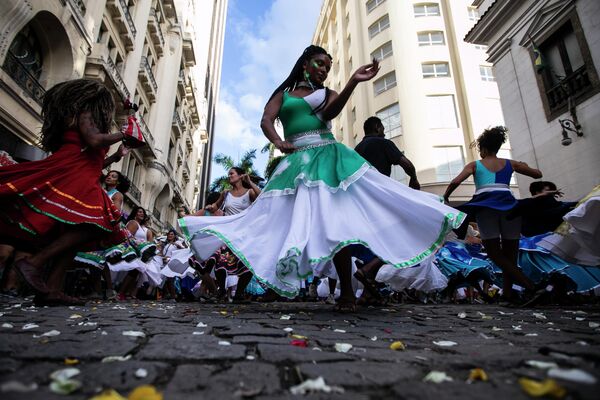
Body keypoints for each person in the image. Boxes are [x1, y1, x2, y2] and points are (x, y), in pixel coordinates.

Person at [179, 45, 465, 311]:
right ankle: (260, 274)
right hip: (296, 165)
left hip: (329, 160)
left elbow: (331, 111)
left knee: (335, 224)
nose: (324, 70)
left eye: (328, 67)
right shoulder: (285, 93)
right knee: (269, 219)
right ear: (306, 64)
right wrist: (279, 142)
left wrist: (353, 81)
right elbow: (266, 120)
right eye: (320, 64)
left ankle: (349, 293)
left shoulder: (326, 93)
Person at [0, 79, 132, 304]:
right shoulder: (86, 111)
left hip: (82, 174)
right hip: (73, 174)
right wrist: (124, 133)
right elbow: (94, 140)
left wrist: (115, 157)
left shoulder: (86, 117)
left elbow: (93, 161)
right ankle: (34, 262)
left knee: (74, 235)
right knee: (95, 225)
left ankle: (51, 290)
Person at [443, 126, 544, 305]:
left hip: (485, 205)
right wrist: (523, 165)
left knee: (494, 252)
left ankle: (530, 286)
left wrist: (446, 196)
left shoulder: (475, 165)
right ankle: (507, 294)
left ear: (484, 148)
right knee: (510, 254)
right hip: (509, 206)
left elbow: (456, 180)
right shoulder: (511, 163)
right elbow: (537, 174)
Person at [354, 116, 420, 189]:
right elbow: (407, 165)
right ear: (377, 128)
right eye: (383, 129)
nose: (384, 134)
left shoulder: (356, 150)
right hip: (381, 190)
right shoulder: (383, 143)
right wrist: (414, 178)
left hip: (362, 194)